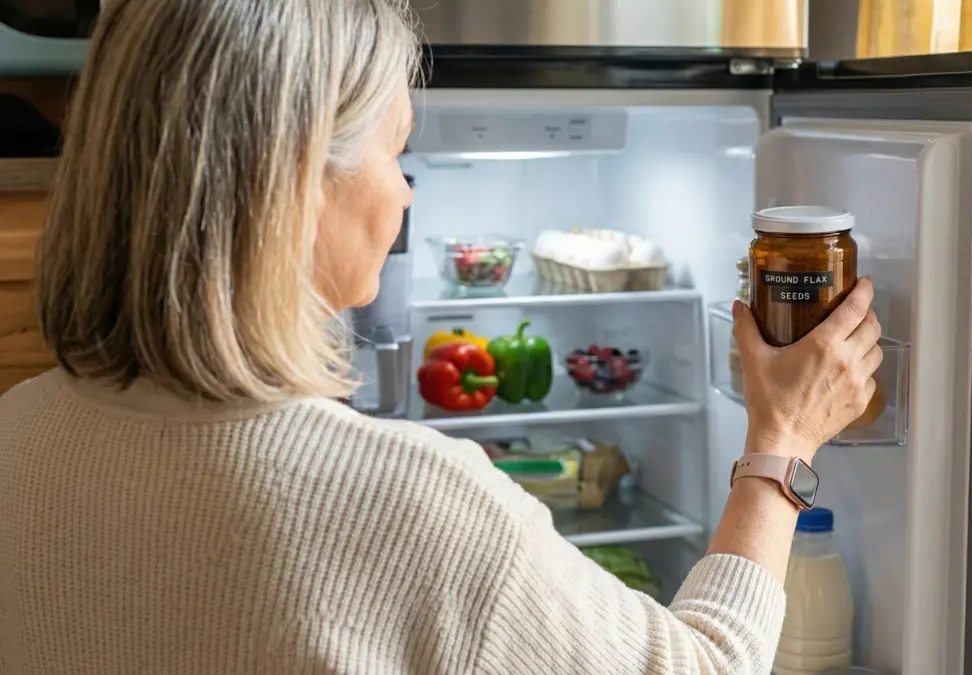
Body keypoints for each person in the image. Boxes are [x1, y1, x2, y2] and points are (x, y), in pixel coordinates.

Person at [0, 1, 882, 673]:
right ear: (299, 180)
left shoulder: (16, 437)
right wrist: (781, 443)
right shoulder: (409, 507)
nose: (406, 196)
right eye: (397, 154)